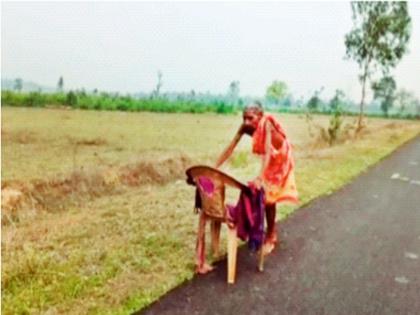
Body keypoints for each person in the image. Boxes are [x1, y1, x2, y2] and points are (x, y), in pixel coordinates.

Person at [215, 101, 299, 254]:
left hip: (280, 156)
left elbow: (268, 151)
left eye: (250, 118)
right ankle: (262, 230)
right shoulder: (246, 127)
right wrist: (214, 168)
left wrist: (261, 177)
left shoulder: (266, 124)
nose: (246, 122)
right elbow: (231, 146)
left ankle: (271, 235)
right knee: (264, 196)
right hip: (270, 158)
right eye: (244, 118)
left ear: (260, 116)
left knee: (269, 196)